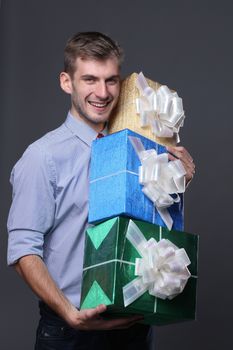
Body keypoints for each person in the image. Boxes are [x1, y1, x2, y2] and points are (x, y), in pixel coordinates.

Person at [7, 32, 195, 350]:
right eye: (90, 79)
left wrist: (178, 181)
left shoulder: (139, 148)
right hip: (71, 329)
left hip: (134, 323)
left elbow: (150, 226)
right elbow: (23, 249)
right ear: (67, 82)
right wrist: (69, 313)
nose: (102, 92)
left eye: (111, 80)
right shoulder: (43, 156)